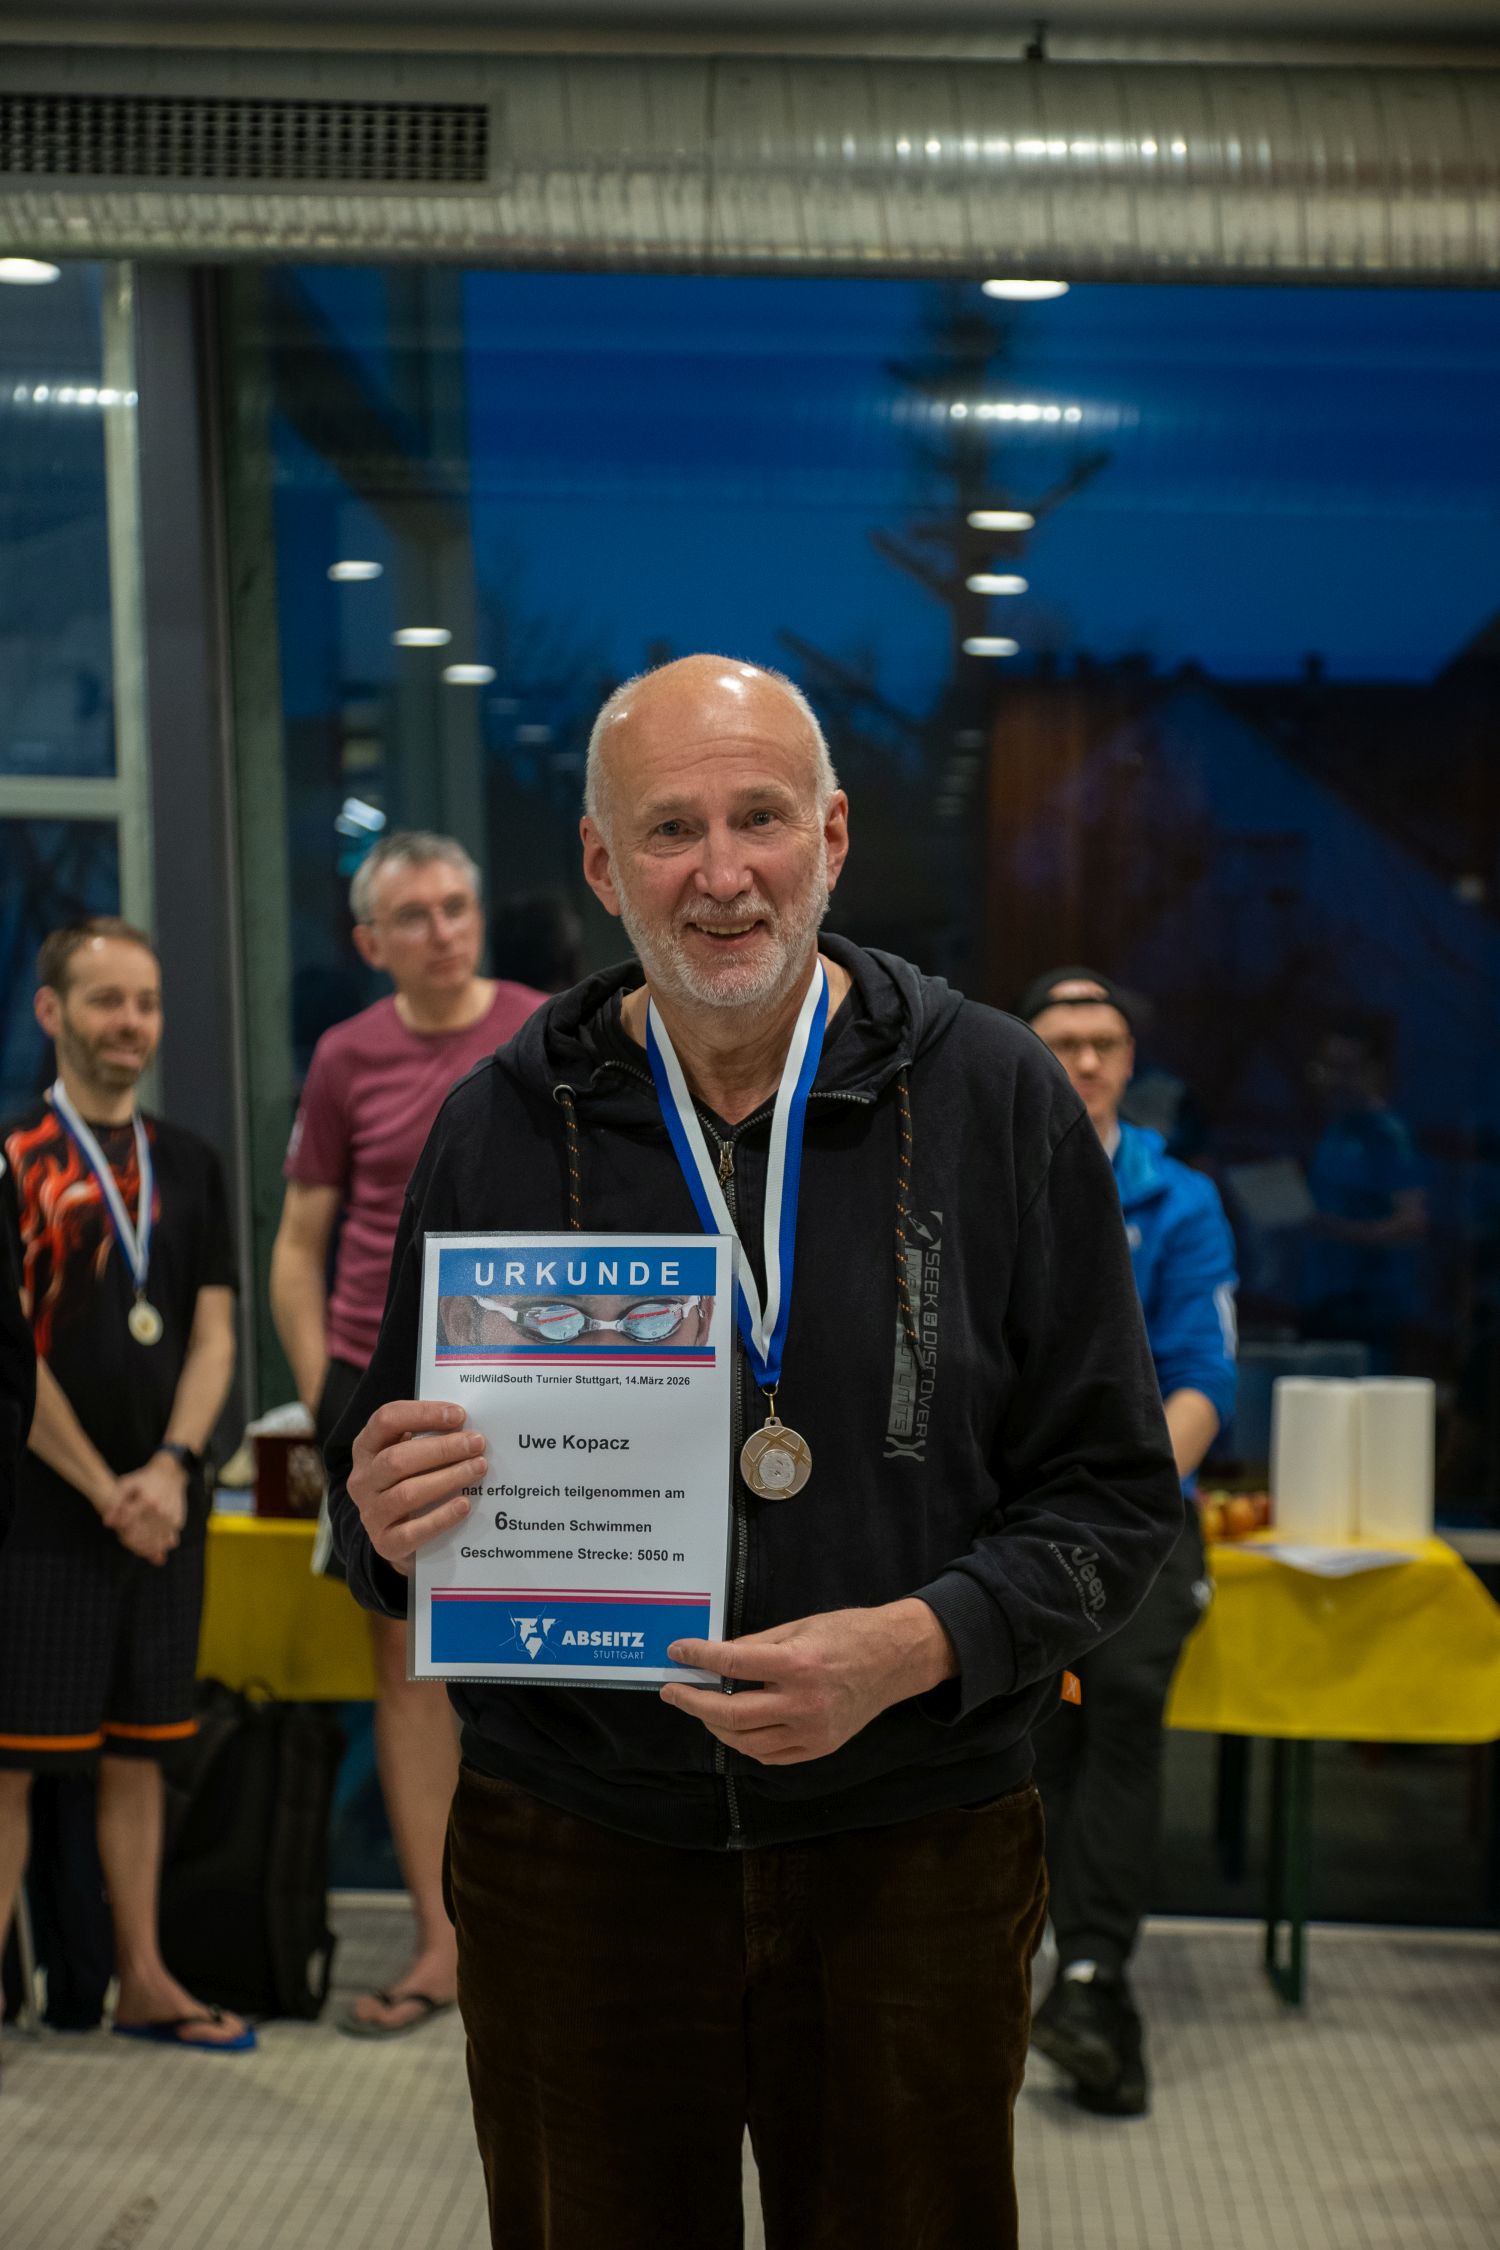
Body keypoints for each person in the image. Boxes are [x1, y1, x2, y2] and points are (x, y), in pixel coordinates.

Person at [325, 656, 1183, 2250]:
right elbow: (375, 1509)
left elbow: (1117, 1496)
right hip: (573, 1848)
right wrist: (380, 1509)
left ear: (832, 838)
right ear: (602, 864)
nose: (721, 873)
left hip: (915, 1836)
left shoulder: (997, 1096)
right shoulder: (498, 1120)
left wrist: (916, 1644)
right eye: (670, 828)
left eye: (761, 818)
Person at [269, 830, 545, 2037]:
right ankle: (440, 1944)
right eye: (415, 916)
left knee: (541, 1649)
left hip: (527, 1384)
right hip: (380, 1396)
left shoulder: (547, 1028)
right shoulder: (346, 1056)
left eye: (457, 907)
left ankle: (539, 1927)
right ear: (371, 942)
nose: (443, 930)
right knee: (406, 1663)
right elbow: (299, 1241)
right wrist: (326, 1396)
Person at [0, 918, 245, 2051]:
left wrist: (173, 1469)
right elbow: (11, 1349)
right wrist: (109, 1487)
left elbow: (214, 1334)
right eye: (106, 1001)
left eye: (144, 1002)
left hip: (163, 1513)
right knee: (10, 1769)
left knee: (142, 1753)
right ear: (51, 1011)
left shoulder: (189, 1163)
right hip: (39, 1518)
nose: (130, 1023)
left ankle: (143, 1978)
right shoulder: (13, 1159)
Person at [1018, 966, 1237, 2118]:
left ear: (1130, 1060)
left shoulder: (1179, 1200)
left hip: (1142, 1512)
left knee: (1123, 1704)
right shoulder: (981, 1177)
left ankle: (1095, 1981)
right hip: (1012, 1511)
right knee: (1022, 1720)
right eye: (1064, 1042)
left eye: (1105, 1042)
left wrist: (1129, 1498)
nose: (1088, 1061)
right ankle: (1016, 1959)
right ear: (1028, 1056)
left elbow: (1205, 1377)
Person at [1299, 1020, 1426, 1369]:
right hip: (1321, 1299)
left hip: (1367, 1309)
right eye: (1328, 1066)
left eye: (1347, 1068)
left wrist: (1335, 1229)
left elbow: (1413, 1223)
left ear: (1374, 1072)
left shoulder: (1388, 1134)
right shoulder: (1334, 1127)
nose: (1334, 1079)